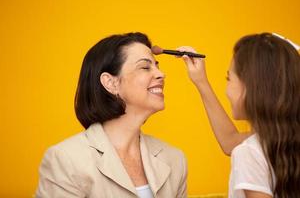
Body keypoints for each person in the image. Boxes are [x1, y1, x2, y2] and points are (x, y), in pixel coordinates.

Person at [36, 32, 187, 198]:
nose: (161, 74)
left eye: (157, 66)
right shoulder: (66, 159)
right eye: (145, 67)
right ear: (110, 83)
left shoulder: (174, 159)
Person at [178, 33, 300, 198]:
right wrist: (201, 81)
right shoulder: (284, 138)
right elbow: (230, 142)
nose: (226, 89)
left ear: (251, 87)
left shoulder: (249, 152)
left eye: (228, 79)